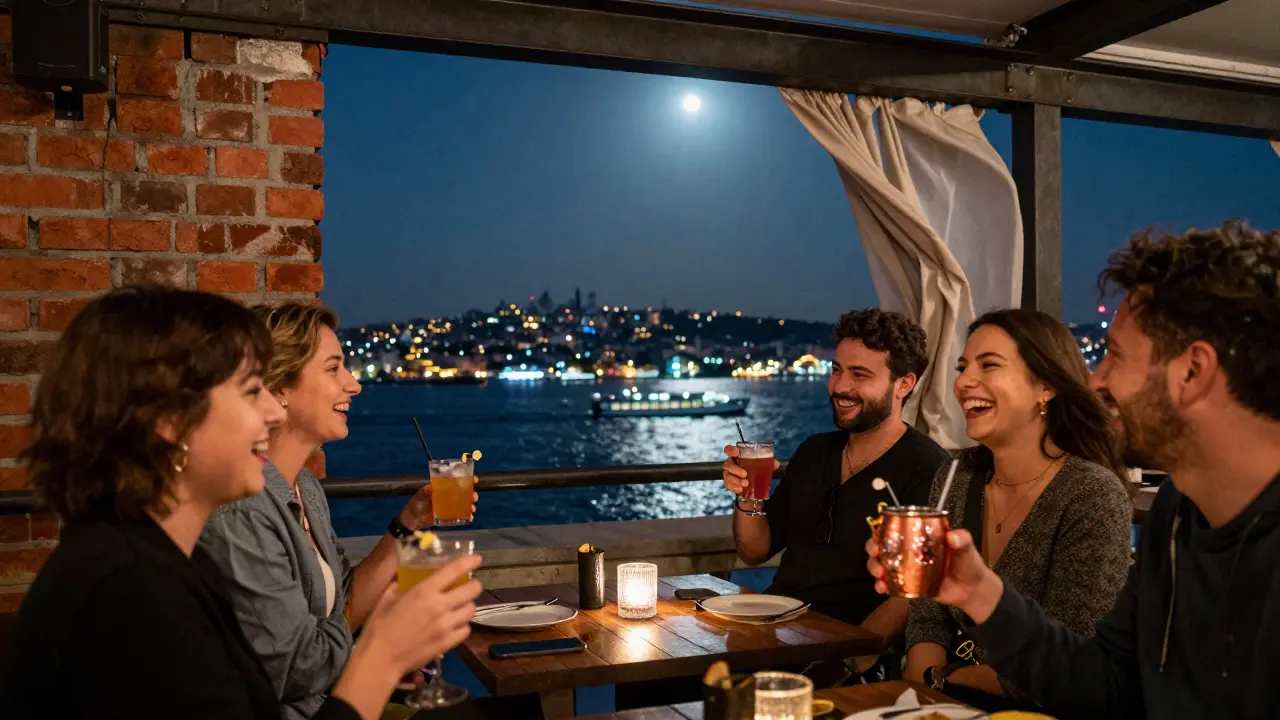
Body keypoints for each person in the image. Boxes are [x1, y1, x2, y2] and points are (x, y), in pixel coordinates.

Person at [0, 287, 481, 720]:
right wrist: (381, 655)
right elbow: (295, 669)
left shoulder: (152, 562)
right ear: (171, 420)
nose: (271, 412)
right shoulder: (131, 597)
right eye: (252, 391)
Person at [867, 220, 1280, 719]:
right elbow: (1102, 684)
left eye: (1115, 357)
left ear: (1192, 372)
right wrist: (981, 594)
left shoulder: (1098, 495)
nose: (1097, 379)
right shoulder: (1176, 514)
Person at [199, 302, 479, 719]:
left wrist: (410, 523)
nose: (354, 384)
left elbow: (344, 608)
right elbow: (297, 671)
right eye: (334, 369)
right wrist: (384, 646)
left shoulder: (306, 487)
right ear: (279, 388)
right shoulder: (243, 512)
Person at [904, 308, 1133, 711]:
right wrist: (924, 699)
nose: (963, 382)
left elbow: (1071, 658)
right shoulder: (953, 476)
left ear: (1045, 385)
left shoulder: (1091, 496)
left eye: (988, 365)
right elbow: (927, 617)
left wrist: (944, 679)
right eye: (962, 367)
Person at [721, 309, 950, 638]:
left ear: (904, 384)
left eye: (859, 375)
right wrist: (748, 497)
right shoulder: (814, 451)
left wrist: (848, 660)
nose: (840, 386)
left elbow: (912, 595)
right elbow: (754, 551)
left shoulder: (928, 468)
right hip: (776, 630)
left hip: (849, 649)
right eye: (837, 370)